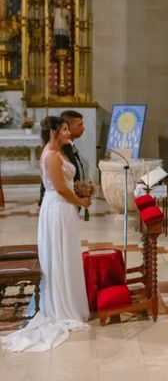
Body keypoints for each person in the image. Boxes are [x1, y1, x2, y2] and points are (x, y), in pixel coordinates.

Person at [2, 116, 92, 352]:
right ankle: (62, 308)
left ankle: (69, 302)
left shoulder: (59, 152)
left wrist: (80, 191)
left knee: (67, 255)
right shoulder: (51, 155)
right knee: (59, 257)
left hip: (64, 210)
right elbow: (61, 189)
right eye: (63, 130)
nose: (68, 133)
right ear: (53, 132)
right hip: (57, 209)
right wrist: (82, 200)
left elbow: (67, 183)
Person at [37, 110, 89, 208]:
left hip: (67, 201)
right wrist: (80, 201)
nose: (83, 128)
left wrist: (81, 189)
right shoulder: (55, 152)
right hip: (59, 203)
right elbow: (54, 182)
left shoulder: (65, 147)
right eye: (65, 129)